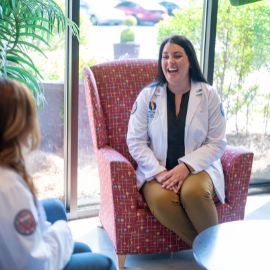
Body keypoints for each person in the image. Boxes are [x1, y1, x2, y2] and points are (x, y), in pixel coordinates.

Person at [0, 78, 116, 270]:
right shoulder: (9, 187)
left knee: (82, 247)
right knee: (105, 263)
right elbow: (35, 264)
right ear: (17, 125)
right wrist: (61, 231)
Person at [127, 35, 226, 246]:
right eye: (165, 56)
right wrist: (159, 172)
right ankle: (212, 251)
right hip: (157, 170)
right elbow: (135, 140)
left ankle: (212, 253)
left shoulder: (208, 95)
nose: (170, 62)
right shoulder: (148, 96)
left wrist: (186, 167)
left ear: (190, 60)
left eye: (177, 56)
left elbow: (217, 142)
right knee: (162, 200)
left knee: (194, 193)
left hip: (198, 168)